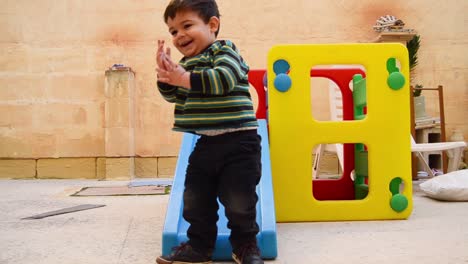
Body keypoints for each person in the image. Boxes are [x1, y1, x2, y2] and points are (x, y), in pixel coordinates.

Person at [155, 1, 263, 264]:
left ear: (212, 25)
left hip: (240, 142)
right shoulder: (186, 64)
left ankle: (245, 246)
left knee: (239, 201)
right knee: (195, 199)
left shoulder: (224, 50)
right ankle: (199, 247)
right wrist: (166, 78)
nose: (179, 35)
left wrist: (184, 78)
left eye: (187, 25)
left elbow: (223, 79)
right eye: (172, 31)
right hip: (205, 144)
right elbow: (177, 96)